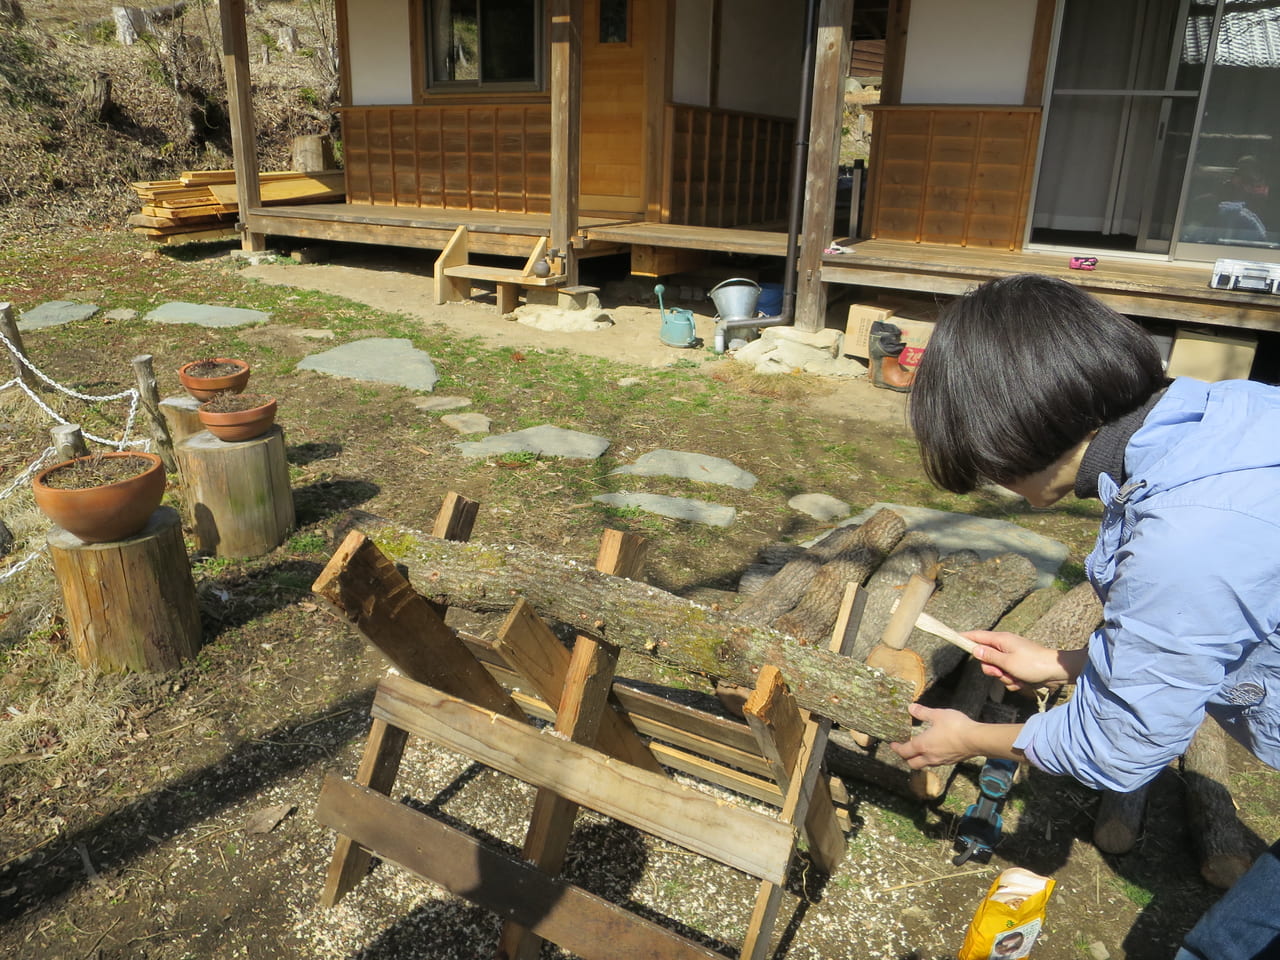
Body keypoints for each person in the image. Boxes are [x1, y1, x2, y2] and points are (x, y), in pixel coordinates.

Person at [887, 274, 1280, 960]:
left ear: (1012, 439)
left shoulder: (1188, 538)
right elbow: (1221, 632)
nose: (1000, 488)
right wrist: (1063, 662)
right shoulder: (1229, 418)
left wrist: (969, 738)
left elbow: (1119, 748)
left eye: (989, 470)